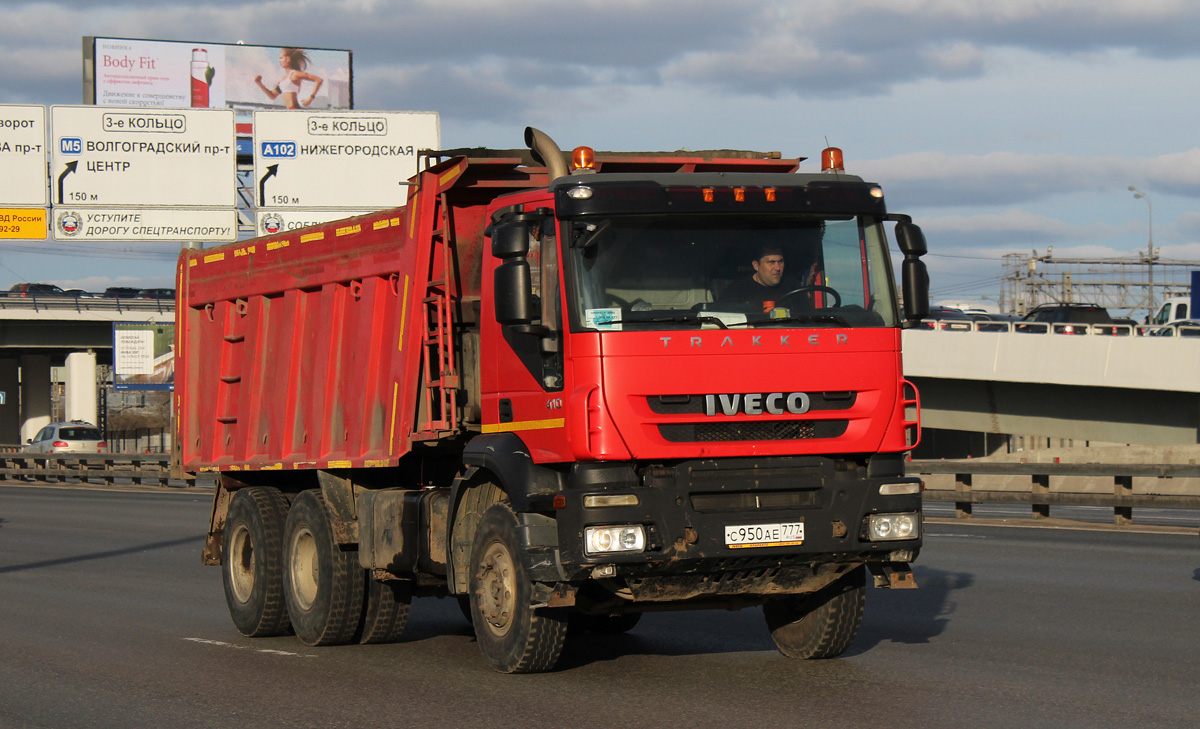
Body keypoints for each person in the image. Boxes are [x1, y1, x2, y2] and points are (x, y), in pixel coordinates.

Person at [254, 48, 323, 109]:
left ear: (288, 59)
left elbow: (318, 80)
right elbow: (272, 96)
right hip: (290, 110)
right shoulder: (283, 79)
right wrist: (259, 83)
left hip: (295, 110)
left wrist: (310, 98)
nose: (279, 61)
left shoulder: (295, 74)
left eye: (281, 58)